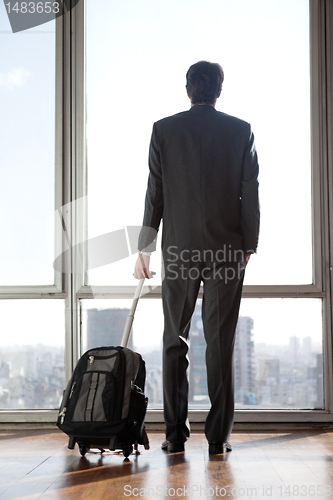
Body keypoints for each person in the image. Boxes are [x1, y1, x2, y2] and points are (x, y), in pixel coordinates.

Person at [134, 61, 260, 454]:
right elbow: (250, 192)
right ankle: (218, 439)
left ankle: (174, 436)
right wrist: (249, 244)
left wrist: (144, 248)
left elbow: (156, 193)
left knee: (175, 340)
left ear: (188, 90)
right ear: (219, 90)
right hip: (227, 249)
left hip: (179, 249)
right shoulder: (241, 130)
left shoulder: (164, 130)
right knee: (220, 343)